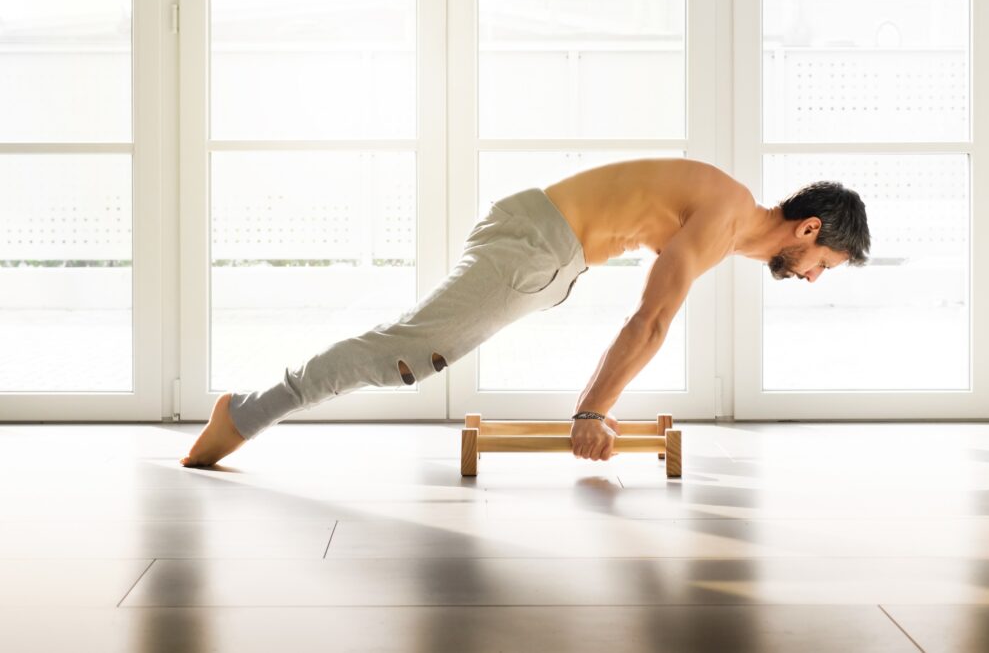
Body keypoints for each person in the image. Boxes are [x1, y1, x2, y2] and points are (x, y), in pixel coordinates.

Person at [180, 158, 870, 468]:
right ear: (810, 231)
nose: (812, 279)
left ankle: (244, 412)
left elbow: (651, 315)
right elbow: (650, 321)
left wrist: (595, 407)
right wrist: (592, 414)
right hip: (537, 243)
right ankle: (243, 413)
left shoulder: (725, 218)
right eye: (825, 266)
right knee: (405, 355)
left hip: (550, 256)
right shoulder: (725, 212)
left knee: (413, 357)